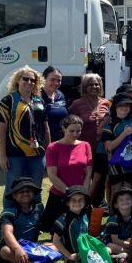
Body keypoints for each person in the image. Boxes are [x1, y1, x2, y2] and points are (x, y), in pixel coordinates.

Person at [0, 178, 66, 263]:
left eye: (28, 191)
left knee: (55, 246)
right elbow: (7, 232)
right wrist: (17, 249)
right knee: (6, 251)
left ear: (34, 193)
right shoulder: (9, 212)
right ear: (14, 196)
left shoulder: (39, 208)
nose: (25, 193)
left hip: (28, 246)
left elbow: (48, 225)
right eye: (21, 191)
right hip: (7, 245)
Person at [0, 66, 50, 207]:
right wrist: (3, 155)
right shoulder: (8, 101)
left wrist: (48, 151)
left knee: (36, 187)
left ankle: (35, 218)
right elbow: (1, 131)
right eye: (25, 79)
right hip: (15, 155)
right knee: (12, 187)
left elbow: (45, 127)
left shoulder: (39, 101)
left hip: (38, 154)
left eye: (33, 80)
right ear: (17, 81)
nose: (29, 82)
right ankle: (8, 217)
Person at [43, 115, 93, 232]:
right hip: (60, 195)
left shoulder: (86, 145)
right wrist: (69, 194)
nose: (75, 134)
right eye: (71, 131)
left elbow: (88, 172)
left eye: (78, 131)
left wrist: (83, 193)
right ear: (63, 129)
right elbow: (52, 175)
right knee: (58, 232)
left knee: (82, 231)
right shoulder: (53, 148)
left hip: (81, 196)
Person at [68, 73, 110, 204]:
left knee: (100, 176)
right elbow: (68, 123)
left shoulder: (106, 103)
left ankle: (99, 204)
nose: (94, 87)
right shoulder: (77, 104)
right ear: (85, 86)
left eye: (97, 84)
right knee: (85, 177)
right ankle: (81, 201)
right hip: (83, 147)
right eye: (91, 84)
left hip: (102, 148)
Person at [51, 185, 94, 263]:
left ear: (85, 201)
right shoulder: (62, 219)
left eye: (80, 200)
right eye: (73, 200)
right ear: (67, 202)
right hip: (71, 255)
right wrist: (69, 255)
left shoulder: (85, 215)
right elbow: (56, 241)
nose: (77, 203)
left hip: (84, 252)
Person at [104, 183, 132, 262]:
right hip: (113, 243)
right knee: (109, 247)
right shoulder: (113, 219)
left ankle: (120, 256)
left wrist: (131, 243)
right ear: (116, 205)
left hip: (127, 241)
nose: (125, 201)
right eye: (121, 199)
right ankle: (125, 255)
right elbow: (115, 240)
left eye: (128, 199)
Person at [41, 66, 67, 143]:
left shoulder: (60, 95)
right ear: (44, 79)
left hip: (61, 140)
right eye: (52, 80)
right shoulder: (37, 96)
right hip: (43, 141)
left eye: (59, 80)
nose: (56, 83)